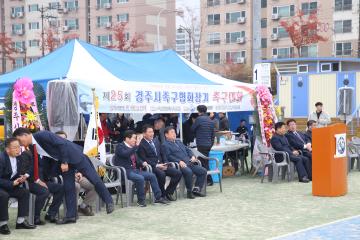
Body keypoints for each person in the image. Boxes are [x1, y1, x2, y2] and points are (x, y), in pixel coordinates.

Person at [13, 128, 114, 225]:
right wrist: (26, 175)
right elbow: (35, 163)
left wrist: (65, 161)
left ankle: (109, 201)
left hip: (75, 157)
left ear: (24, 135)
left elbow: (62, 144)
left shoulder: (42, 135)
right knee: (69, 187)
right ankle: (71, 216)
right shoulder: (32, 146)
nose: (19, 143)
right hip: (64, 163)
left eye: (18, 140)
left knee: (94, 179)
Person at [114, 130, 168, 207]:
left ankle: (158, 197)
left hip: (134, 170)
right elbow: (125, 154)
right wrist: (136, 146)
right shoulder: (120, 146)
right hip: (125, 171)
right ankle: (141, 200)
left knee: (152, 176)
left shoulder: (132, 147)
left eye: (136, 138)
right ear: (127, 138)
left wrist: (142, 163)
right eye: (134, 138)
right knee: (140, 178)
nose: (135, 140)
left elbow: (137, 159)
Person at [55, 131, 96, 217]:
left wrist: (79, 172)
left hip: (76, 176)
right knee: (75, 186)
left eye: (64, 139)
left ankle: (83, 206)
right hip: (62, 178)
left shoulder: (71, 150)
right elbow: (54, 170)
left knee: (95, 184)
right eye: (60, 139)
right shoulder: (53, 153)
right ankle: (73, 211)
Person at [137, 125, 182, 201]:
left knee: (177, 173)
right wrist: (157, 165)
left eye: (152, 132)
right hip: (152, 166)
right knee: (161, 174)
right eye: (149, 132)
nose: (152, 134)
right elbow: (144, 159)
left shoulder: (156, 141)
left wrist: (166, 162)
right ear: (144, 134)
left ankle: (168, 192)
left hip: (162, 164)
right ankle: (162, 195)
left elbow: (162, 153)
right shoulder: (141, 145)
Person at [0, 138, 36, 232]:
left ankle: (20, 222)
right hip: (2, 187)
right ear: (7, 149)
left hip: (10, 186)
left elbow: (24, 170)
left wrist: (22, 177)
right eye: (15, 148)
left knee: (25, 192)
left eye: (19, 147)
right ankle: (2, 224)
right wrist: (11, 183)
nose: (18, 150)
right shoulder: (1, 158)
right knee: (4, 195)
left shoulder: (19, 158)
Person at [21, 149, 64, 225]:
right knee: (44, 191)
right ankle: (35, 217)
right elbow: (23, 171)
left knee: (60, 188)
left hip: (43, 181)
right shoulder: (27, 154)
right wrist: (37, 180)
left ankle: (51, 214)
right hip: (30, 182)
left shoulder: (45, 155)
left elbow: (50, 171)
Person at [162, 127, 207, 198]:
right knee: (189, 172)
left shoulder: (178, 141)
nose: (174, 134)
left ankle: (196, 190)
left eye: (174, 132)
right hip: (180, 165)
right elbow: (168, 156)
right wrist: (179, 161)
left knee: (203, 171)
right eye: (172, 132)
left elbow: (188, 150)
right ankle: (189, 192)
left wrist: (192, 156)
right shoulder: (165, 145)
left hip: (189, 162)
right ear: (166, 135)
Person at [191, 105, 215, 185]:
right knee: (205, 161)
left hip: (201, 143)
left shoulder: (199, 119)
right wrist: (211, 144)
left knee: (203, 162)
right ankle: (208, 180)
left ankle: (208, 180)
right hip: (208, 144)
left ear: (198, 111)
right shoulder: (210, 120)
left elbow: (192, 129)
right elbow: (213, 134)